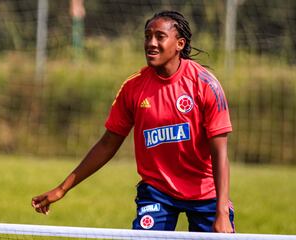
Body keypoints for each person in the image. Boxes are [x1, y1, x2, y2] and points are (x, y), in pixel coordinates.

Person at [32, 10, 235, 233]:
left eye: (160, 36)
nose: (151, 43)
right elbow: (107, 144)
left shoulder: (205, 85)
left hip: (205, 192)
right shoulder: (133, 87)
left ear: (179, 44)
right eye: (147, 36)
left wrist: (222, 210)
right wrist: (62, 189)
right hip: (158, 190)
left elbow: (220, 153)